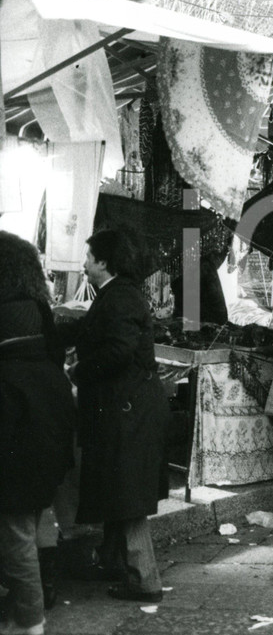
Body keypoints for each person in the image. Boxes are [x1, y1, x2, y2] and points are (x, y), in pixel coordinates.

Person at [54, 229, 170, 603]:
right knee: (121, 491)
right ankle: (115, 562)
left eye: (89, 258)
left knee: (127, 494)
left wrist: (78, 372)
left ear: (104, 262)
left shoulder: (120, 297)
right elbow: (92, 331)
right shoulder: (117, 294)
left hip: (127, 411)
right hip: (126, 410)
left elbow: (118, 350)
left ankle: (145, 580)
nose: (84, 265)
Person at [0, 232, 76, 635]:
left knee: (15, 535)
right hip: (45, 426)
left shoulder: (9, 311)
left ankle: (29, 619)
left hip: (19, 433)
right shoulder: (37, 308)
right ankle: (30, 607)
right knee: (27, 525)